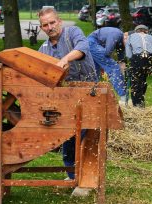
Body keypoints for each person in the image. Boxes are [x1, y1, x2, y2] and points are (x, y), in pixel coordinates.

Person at [37, 7, 97, 180]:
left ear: (59, 21)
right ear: (42, 28)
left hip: (89, 93)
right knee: (68, 139)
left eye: (52, 22)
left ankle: (86, 178)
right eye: (45, 25)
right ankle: (73, 177)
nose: (50, 27)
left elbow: (83, 47)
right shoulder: (44, 49)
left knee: (85, 136)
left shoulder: (72, 33)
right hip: (64, 100)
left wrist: (65, 59)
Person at [125, 24, 152, 107]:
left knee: (135, 82)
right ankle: (141, 101)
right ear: (146, 31)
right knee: (143, 80)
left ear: (136, 31)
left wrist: (132, 60)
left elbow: (128, 54)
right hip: (148, 60)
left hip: (136, 59)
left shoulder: (131, 36)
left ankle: (137, 105)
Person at [87, 27, 127, 104]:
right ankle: (123, 98)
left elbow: (121, 60)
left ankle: (91, 95)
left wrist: (122, 67)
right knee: (113, 67)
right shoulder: (117, 34)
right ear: (125, 36)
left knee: (94, 71)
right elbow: (107, 52)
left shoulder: (121, 42)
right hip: (92, 43)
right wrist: (108, 66)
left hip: (92, 43)